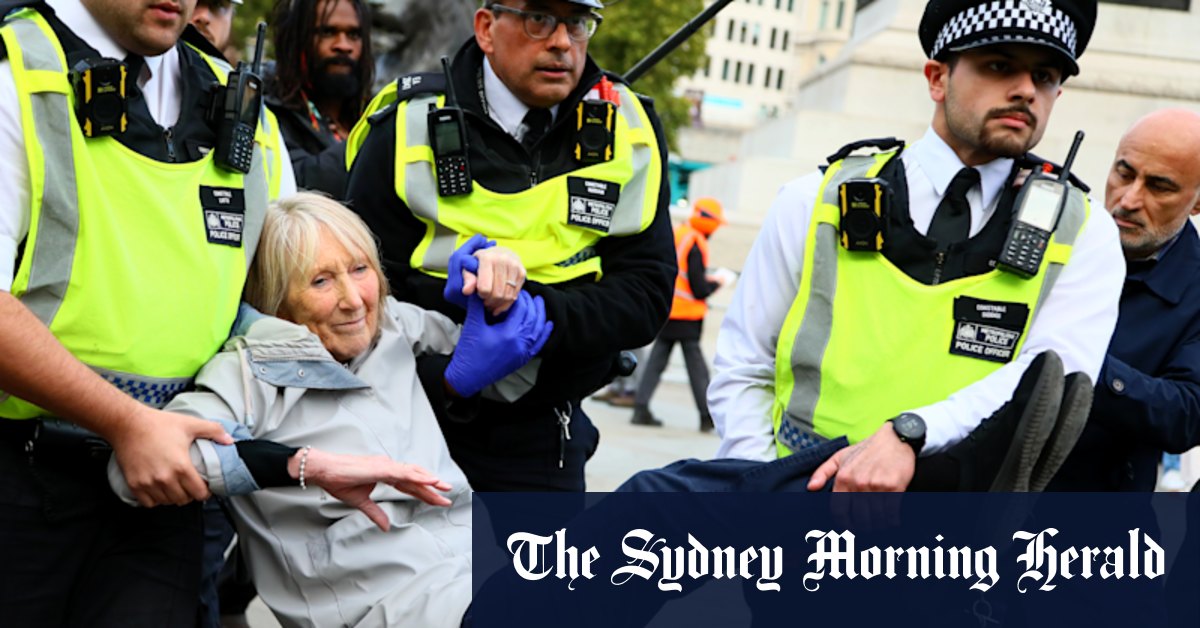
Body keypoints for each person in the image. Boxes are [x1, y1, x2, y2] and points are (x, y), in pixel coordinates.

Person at [710, 0, 1125, 492]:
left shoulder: (1085, 234)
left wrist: (909, 434)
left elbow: (1049, 380)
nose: (1025, 91)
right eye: (999, 66)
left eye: (1045, 76)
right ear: (936, 78)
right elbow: (744, 366)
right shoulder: (812, 202)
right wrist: (764, 490)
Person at [110, 192, 553, 628]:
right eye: (320, 281)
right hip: (395, 610)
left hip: (485, 573)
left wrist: (492, 296)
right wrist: (302, 466)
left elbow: (519, 368)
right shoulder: (249, 372)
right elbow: (141, 468)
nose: (354, 299)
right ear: (275, 298)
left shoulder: (390, 324)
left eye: (360, 269)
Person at [0, 0, 293, 624]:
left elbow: (289, 293)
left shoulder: (237, 99)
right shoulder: (16, 70)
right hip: (22, 488)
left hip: (172, 494)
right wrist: (128, 423)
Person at [344, 0, 676, 492]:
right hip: (412, 429)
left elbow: (646, 297)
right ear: (486, 28)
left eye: (578, 23)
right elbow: (352, 293)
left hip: (546, 444)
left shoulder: (631, 128)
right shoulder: (405, 124)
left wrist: (531, 309)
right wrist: (453, 362)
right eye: (540, 18)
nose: (562, 42)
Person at [1048, 109, 1200, 491]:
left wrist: (1074, 360)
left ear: (1197, 202)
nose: (1129, 199)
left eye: (1159, 187)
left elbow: (1187, 415)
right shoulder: (1047, 234)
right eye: (1124, 173)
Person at [631, 197, 728, 430]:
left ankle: (640, 408)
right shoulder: (695, 242)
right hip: (687, 317)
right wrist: (718, 283)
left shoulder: (679, 234)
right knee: (697, 369)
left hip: (667, 311)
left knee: (656, 363)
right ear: (708, 221)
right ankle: (706, 417)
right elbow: (698, 289)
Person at [266, 0, 373, 197]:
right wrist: (371, 142)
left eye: (353, 35)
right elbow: (296, 182)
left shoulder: (372, 111)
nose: (343, 45)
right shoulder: (266, 109)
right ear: (297, 39)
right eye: (327, 32)